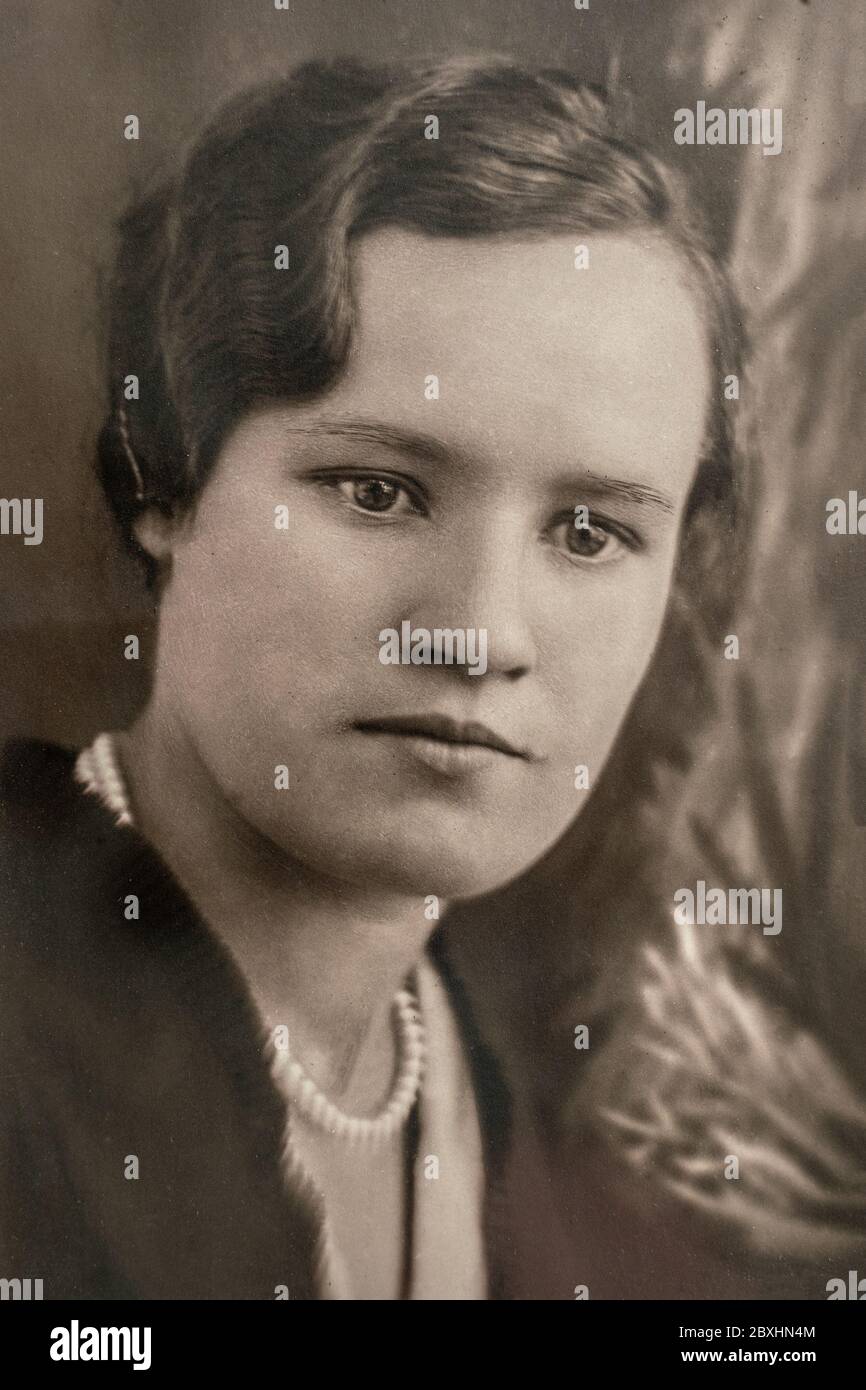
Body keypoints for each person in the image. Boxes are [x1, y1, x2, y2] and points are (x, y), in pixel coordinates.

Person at [1, 54, 778, 1300]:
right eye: (377, 491)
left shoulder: (537, 1155)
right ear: (166, 476)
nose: (478, 632)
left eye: (589, 532)